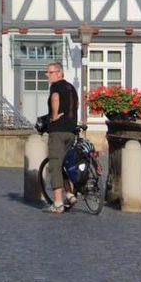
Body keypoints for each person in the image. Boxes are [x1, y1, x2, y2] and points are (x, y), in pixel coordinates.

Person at [44, 61, 79, 215]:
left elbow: (55, 99)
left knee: (55, 164)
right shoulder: (71, 88)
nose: (47, 75)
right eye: (47, 72)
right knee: (65, 163)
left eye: (50, 72)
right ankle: (70, 194)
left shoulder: (56, 87)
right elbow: (76, 105)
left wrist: (53, 116)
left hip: (58, 130)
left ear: (60, 73)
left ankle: (58, 203)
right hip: (71, 130)